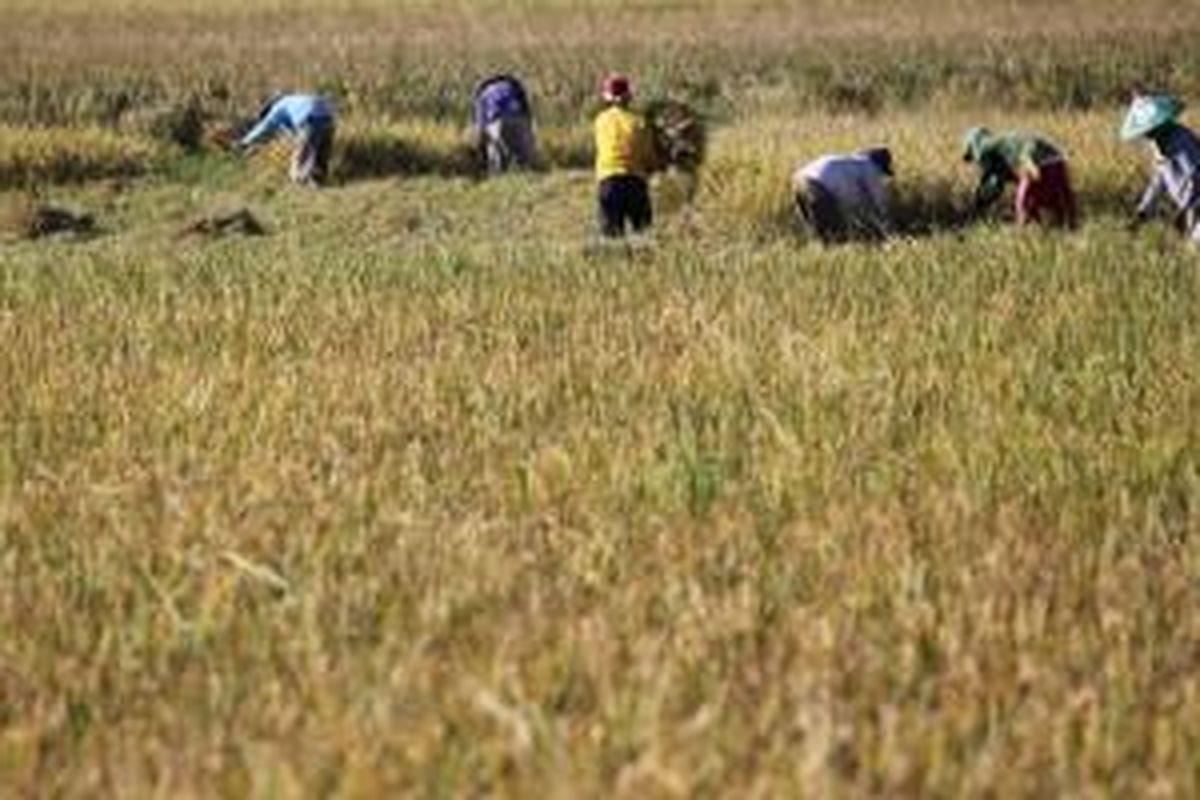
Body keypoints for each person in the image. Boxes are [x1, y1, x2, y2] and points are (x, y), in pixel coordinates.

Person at [1121, 93, 1200, 245]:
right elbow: (1158, 182)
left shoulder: (1181, 139)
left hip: (1196, 204)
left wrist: (1183, 210)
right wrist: (1142, 212)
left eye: (1148, 130)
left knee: (1194, 249)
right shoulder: (1158, 145)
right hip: (1190, 208)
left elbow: (1194, 175)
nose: (1145, 134)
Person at [962, 127, 1077, 228]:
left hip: (1033, 164)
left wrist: (975, 208)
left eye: (971, 157)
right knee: (1062, 207)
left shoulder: (984, 149)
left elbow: (994, 185)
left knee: (1023, 207)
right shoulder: (1003, 145)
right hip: (1055, 163)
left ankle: (1027, 233)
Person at [594, 74, 656, 238]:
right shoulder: (640, 121)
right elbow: (649, 156)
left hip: (608, 181)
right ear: (629, 96)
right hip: (635, 181)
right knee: (644, 235)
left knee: (611, 239)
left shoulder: (600, 120)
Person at [792, 148, 894, 243]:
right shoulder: (870, 168)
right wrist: (887, 228)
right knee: (831, 234)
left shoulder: (850, 162)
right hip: (819, 185)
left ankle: (814, 250)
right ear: (880, 166)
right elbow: (880, 203)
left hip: (799, 180)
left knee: (813, 227)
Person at [237, 94, 336, 187]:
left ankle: (297, 187)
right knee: (320, 157)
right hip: (328, 119)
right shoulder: (293, 101)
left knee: (299, 159)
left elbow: (264, 127)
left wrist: (245, 142)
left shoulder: (278, 107)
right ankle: (319, 184)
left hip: (309, 120)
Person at [473, 74, 537, 174]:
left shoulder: (483, 93)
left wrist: (481, 152)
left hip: (496, 122)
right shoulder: (514, 86)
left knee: (494, 148)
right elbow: (527, 112)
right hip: (518, 118)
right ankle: (525, 175)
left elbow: (481, 125)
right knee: (523, 155)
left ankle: (496, 175)